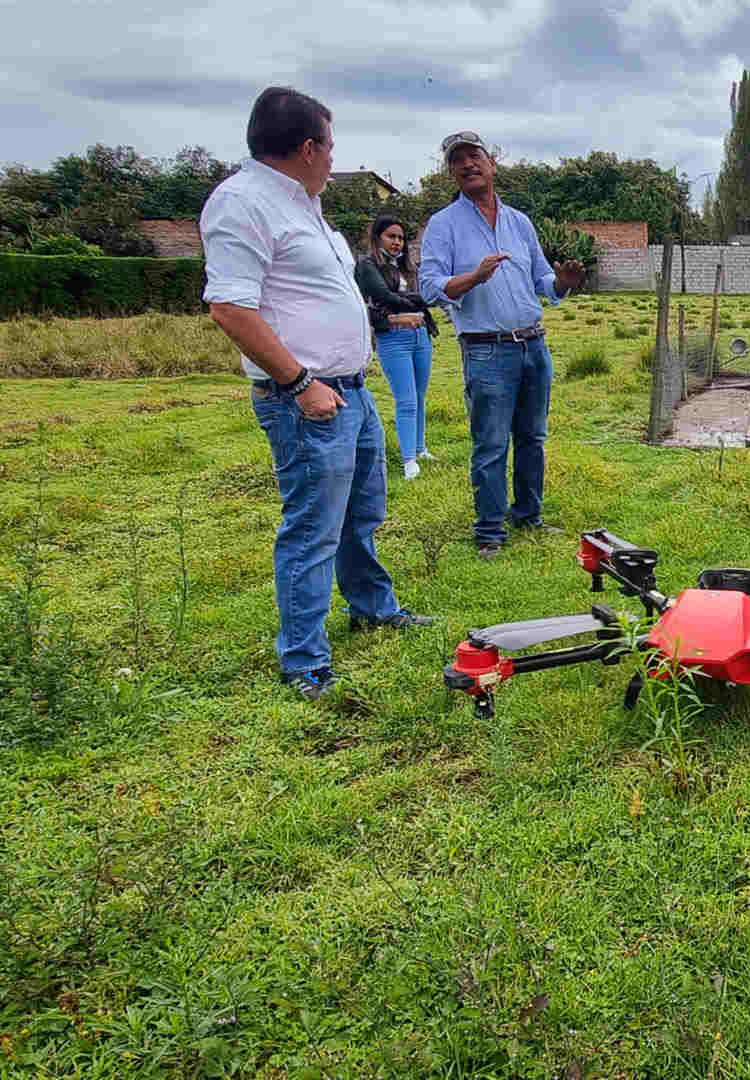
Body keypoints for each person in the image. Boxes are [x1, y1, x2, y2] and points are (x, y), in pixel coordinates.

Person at [201, 86, 432, 700]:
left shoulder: (305, 207)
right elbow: (228, 307)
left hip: (350, 394)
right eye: (330, 146)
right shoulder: (243, 204)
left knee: (362, 514)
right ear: (307, 147)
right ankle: (304, 659)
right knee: (312, 528)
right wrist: (300, 382)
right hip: (306, 400)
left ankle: (373, 607)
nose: (333, 157)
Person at [419, 131, 587, 558]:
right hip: (486, 349)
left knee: (532, 437)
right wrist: (473, 277)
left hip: (534, 345)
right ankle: (490, 532)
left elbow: (541, 282)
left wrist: (563, 284)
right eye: (458, 161)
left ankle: (528, 516)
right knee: (491, 443)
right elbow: (428, 286)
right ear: (452, 173)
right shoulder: (443, 225)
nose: (467, 164)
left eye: (474, 156)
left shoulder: (519, 222)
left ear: (492, 163)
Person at [356, 216, 438, 480]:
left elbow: (416, 297)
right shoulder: (368, 266)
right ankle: (408, 460)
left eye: (400, 238)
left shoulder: (405, 267)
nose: (396, 242)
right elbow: (384, 297)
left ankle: (420, 448)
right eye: (391, 236)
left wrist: (416, 302)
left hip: (420, 335)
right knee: (406, 400)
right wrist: (417, 301)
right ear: (378, 237)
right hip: (393, 337)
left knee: (420, 395)